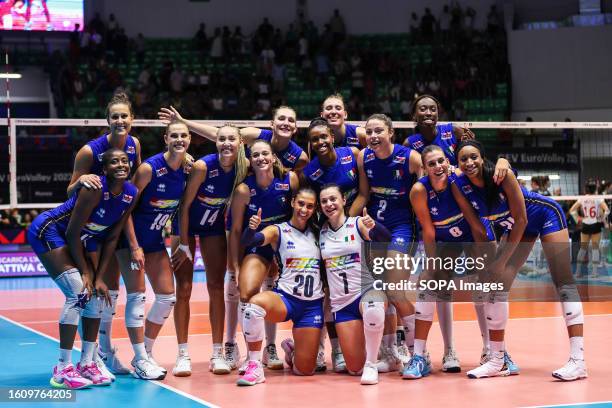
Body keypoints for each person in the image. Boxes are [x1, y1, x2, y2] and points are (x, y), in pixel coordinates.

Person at [452, 140, 586, 381]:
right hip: (514, 228)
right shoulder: (460, 185)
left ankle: (578, 361)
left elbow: (522, 219)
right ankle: (497, 361)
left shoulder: (502, 176)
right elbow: (477, 227)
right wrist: (490, 260)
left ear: (482, 158)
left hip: (542, 215)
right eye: (463, 159)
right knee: (496, 284)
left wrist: (502, 260)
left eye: (474, 157)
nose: (469, 163)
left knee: (563, 281)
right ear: (458, 164)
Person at [403, 94, 511, 367]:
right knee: (433, 283)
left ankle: (493, 350)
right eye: (432, 164)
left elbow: (475, 220)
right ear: (424, 168)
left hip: (469, 228)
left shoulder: (458, 177)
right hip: (443, 232)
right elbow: (427, 230)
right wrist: (430, 261)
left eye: (442, 162)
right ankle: (428, 354)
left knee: (484, 283)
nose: (439, 166)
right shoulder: (419, 184)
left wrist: (502, 160)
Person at [27, 149, 137, 389]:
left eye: (124, 161)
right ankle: (62, 368)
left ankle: (87, 363)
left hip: (83, 241)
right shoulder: (93, 189)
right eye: (114, 162)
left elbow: (112, 237)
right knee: (78, 293)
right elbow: (72, 232)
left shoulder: (131, 193)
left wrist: (98, 277)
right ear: (104, 170)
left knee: (97, 296)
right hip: (50, 231)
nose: (121, 165)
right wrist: (87, 274)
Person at [67, 91, 141, 376]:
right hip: (86, 228)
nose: (120, 120)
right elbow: (70, 191)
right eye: (115, 117)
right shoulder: (89, 151)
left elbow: (130, 191)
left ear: (132, 119)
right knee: (95, 291)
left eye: (124, 116)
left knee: (114, 291)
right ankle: (91, 356)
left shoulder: (133, 145)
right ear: (107, 121)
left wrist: (134, 242)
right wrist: (81, 180)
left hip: (114, 223)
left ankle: (103, 354)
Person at [113, 121, 191, 380]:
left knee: (167, 297)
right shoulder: (149, 169)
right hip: (129, 241)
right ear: (165, 138)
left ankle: (143, 354)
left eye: (184, 136)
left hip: (156, 241)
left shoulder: (187, 171)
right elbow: (125, 207)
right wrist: (134, 245)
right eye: (174, 135)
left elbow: (182, 210)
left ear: (189, 139)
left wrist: (181, 243)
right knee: (136, 297)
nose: (179, 139)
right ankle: (138, 359)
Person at [171, 125, 248, 375]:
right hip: (185, 228)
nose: (226, 143)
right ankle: (183, 354)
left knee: (216, 286)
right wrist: (183, 242)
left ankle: (217, 353)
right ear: (216, 142)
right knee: (183, 289)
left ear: (239, 143)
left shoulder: (243, 166)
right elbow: (184, 205)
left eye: (231, 139)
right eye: (222, 139)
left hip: (213, 229)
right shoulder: (203, 167)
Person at [355, 113, 422, 373]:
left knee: (395, 290)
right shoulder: (364, 157)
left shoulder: (409, 158)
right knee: (382, 290)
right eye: (369, 131)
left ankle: (420, 352)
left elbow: (429, 184)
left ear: (391, 133)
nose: (373, 136)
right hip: (375, 228)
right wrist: (345, 224)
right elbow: (363, 194)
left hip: (402, 228)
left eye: (378, 131)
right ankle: (391, 352)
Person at [238, 187, 323, 386]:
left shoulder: (320, 232)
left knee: (304, 371)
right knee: (253, 307)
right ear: (293, 202)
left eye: (310, 206)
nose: (304, 209)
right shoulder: (278, 230)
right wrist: (252, 228)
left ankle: (293, 351)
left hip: (312, 306)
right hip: (286, 299)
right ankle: (254, 365)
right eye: (301, 203)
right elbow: (249, 241)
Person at [230, 139, 299, 372]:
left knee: (277, 292)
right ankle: (252, 352)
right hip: (257, 246)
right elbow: (236, 231)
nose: (261, 158)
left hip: (284, 246)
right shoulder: (243, 190)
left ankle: (272, 348)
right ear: (250, 160)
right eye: (256, 154)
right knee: (247, 292)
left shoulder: (289, 181)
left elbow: (301, 213)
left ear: (273, 157)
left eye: (265, 154)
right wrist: (235, 266)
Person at [301, 117, 363, 372]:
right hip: (329, 234)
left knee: (372, 284)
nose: (320, 142)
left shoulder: (353, 154)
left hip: (357, 226)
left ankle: (388, 345)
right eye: (314, 139)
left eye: (323, 136)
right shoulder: (311, 172)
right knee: (329, 292)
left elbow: (364, 191)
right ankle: (333, 348)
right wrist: (331, 226)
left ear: (332, 135)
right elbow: (311, 206)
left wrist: (349, 221)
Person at [319, 184, 392, 384]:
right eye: (324, 201)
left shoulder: (357, 223)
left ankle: (372, 364)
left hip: (366, 290)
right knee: (353, 368)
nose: (329, 204)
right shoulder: (321, 232)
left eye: (333, 199)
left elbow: (385, 239)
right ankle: (377, 360)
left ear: (343, 200)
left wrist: (374, 226)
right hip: (342, 303)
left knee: (373, 305)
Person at [570, 181, 610, 276]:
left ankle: (578, 272)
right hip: (595, 224)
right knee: (595, 248)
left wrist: (578, 220)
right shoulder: (598, 198)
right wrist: (602, 218)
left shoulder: (582, 198)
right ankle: (594, 272)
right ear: (595, 189)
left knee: (583, 249)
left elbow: (572, 210)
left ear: (585, 189)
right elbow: (607, 210)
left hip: (585, 224)